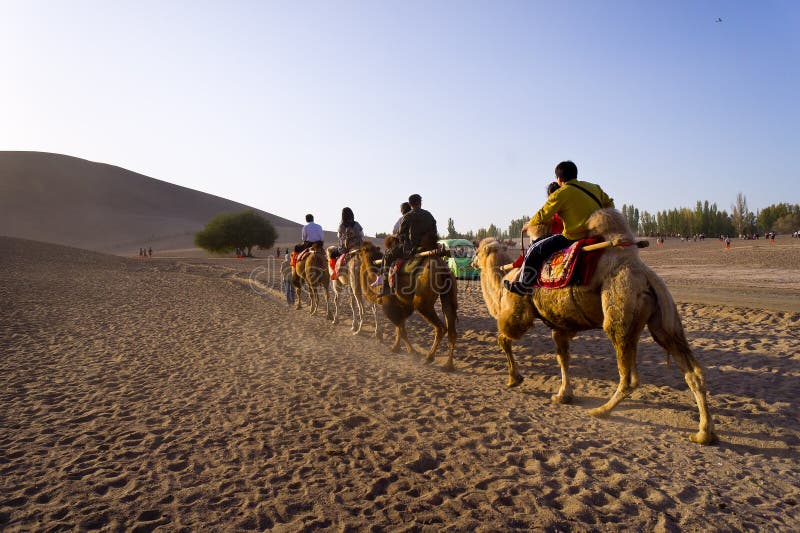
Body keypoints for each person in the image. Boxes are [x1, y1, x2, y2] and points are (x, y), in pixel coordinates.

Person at [505, 160, 614, 296]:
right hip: (596, 234)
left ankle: (524, 285)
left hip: (573, 237)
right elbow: (610, 205)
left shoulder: (561, 193)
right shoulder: (594, 188)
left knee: (534, 249)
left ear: (559, 179)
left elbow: (542, 215)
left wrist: (529, 225)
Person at [375, 193, 438, 297]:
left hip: (411, 248)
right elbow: (434, 232)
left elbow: (400, 234)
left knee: (387, 256)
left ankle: (386, 286)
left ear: (410, 204)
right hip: (428, 247)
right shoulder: (429, 215)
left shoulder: (407, 216)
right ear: (420, 203)